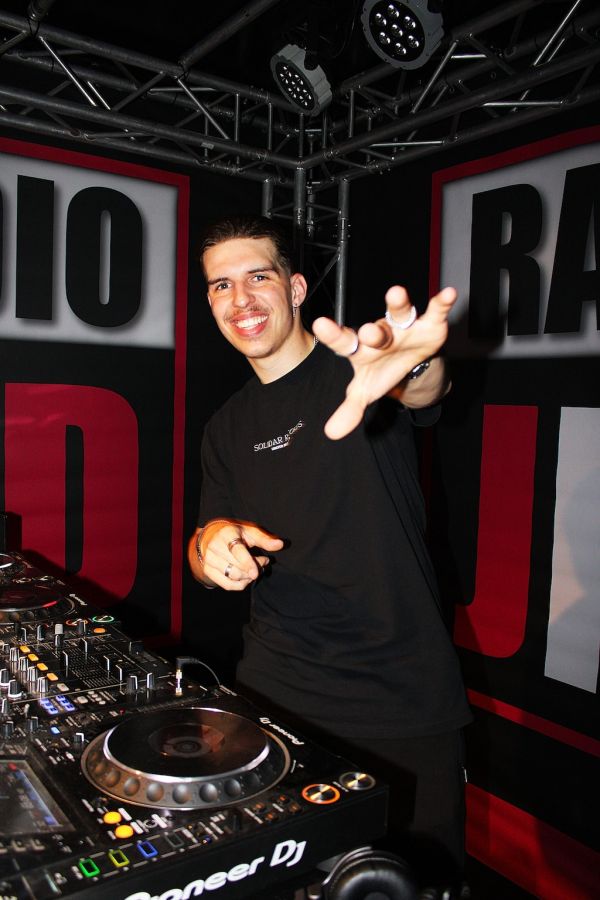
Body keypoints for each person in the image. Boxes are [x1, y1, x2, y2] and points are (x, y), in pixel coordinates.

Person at [188, 214, 472, 891]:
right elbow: (202, 549)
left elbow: (421, 388)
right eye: (221, 285)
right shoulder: (225, 427)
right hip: (277, 699)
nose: (240, 299)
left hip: (400, 701)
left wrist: (415, 364)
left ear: (295, 289)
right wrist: (211, 546)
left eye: (258, 277)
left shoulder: (359, 368)